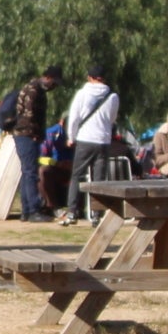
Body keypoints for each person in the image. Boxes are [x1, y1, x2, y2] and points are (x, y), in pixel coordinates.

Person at [60, 64, 120, 223]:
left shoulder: (82, 94)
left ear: (89, 77)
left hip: (85, 139)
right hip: (103, 141)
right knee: (99, 179)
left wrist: (70, 137)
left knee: (77, 176)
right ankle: (96, 214)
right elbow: (112, 119)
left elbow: (74, 118)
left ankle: (72, 211)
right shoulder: (113, 96)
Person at [6, 65, 61, 222]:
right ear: (48, 78)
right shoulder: (34, 90)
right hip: (27, 134)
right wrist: (35, 133)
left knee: (27, 172)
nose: (54, 86)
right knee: (31, 173)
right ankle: (33, 210)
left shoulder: (35, 88)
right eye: (54, 82)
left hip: (25, 134)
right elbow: (28, 114)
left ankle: (26, 210)